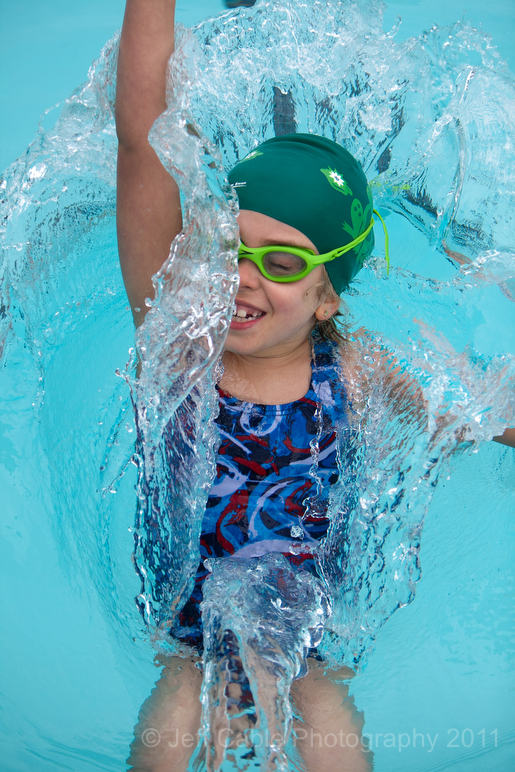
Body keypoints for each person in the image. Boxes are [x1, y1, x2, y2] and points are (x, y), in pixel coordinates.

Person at [115, 2, 515, 770]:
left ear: (330, 295)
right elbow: (141, 139)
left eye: (284, 262)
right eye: (229, 245)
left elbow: (476, 411)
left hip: (314, 619)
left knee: (320, 690)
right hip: (188, 620)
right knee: (182, 689)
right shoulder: (178, 345)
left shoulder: (358, 368)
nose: (243, 277)